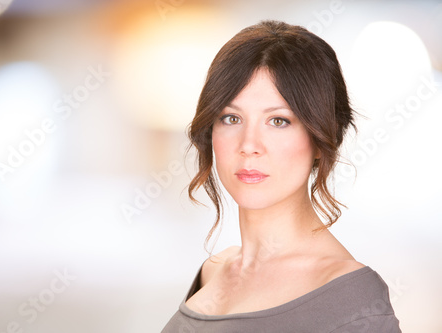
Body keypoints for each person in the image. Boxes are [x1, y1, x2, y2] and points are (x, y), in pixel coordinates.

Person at [162, 20, 401, 332]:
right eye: (231, 118)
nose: (249, 145)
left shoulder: (352, 301)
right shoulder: (214, 271)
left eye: (278, 121)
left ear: (320, 138)